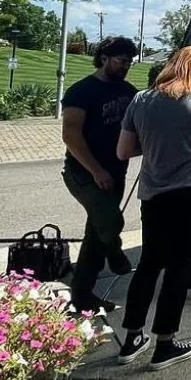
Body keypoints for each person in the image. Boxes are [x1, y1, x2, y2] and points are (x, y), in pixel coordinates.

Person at [113, 46, 191, 370]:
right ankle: (165, 343)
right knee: (179, 264)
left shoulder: (141, 100)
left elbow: (124, 151)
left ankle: (131, 339)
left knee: (150, 262)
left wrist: (155, 143)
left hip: (154, 191)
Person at [60, 35, 139, 313]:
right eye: (120, 61)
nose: (125, 66)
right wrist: (96, 170)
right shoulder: (81, 91)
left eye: (129, 62)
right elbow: (70, 134)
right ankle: (116, 255)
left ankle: (82, 295)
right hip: (83, 173)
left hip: (117, 172)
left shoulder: (128, 92)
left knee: (96, 234)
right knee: (109, 221)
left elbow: (136, 131)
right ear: (104, 59)